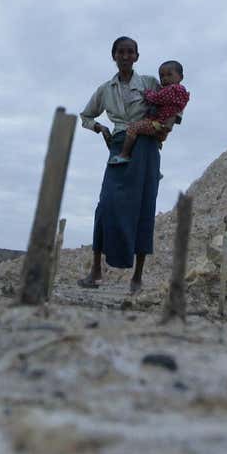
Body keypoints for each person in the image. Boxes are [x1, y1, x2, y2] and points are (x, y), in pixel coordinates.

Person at [78, 36, 165, 293]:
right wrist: (100, 128)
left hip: (147, 148)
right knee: (105, 205)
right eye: (121, 52)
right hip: (118, 146)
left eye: (130, 52)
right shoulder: (105, 89)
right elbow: (85, 115)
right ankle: (95, 272)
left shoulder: (149, 83)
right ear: (113, 56)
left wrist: (163, 129)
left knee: (144, 206)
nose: (125, 56)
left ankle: (137, 278)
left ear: (137, 56)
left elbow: (171, 105)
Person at [109, 60, 188, 165]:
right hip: (163, 128)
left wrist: (147, 93)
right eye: (162, 76)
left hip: (158, 124)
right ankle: (153, 164)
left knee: (133, 129)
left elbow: (157, 98)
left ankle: (124, 154)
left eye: (169, 75)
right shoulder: (182, 93)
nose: (165, 79)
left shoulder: (173, 89)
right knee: (152, 146)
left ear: (181, 77)